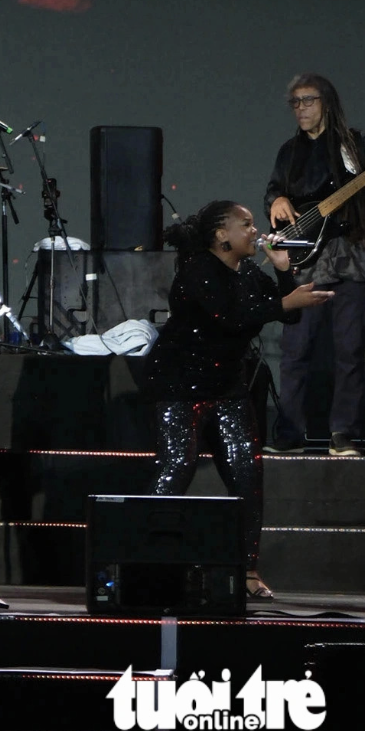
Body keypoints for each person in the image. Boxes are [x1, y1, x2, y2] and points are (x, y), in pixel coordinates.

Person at [144, 200, 331, 600]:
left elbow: (287, 315)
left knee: (248, 476)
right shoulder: (197, 271)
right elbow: (231, 316)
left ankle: (247, 571)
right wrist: (285, 303)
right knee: (177, 467)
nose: (254, 230)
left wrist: (282, 270)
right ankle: (148, 566)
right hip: (181, 387)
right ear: (220, 235)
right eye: (245, 224)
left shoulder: (247, 271)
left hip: (227, 387)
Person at [263, 73, 365, 458]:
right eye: (295, 102)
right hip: (305, 257)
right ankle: (290, 432)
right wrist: (275, 200)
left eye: (307, 100)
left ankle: (344, 433)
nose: (300, 108)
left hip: (350, 255)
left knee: (350, 350)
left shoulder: (353, 145)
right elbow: (274, 187)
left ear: (327, 102)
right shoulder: (288, 151)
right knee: (295, 349)